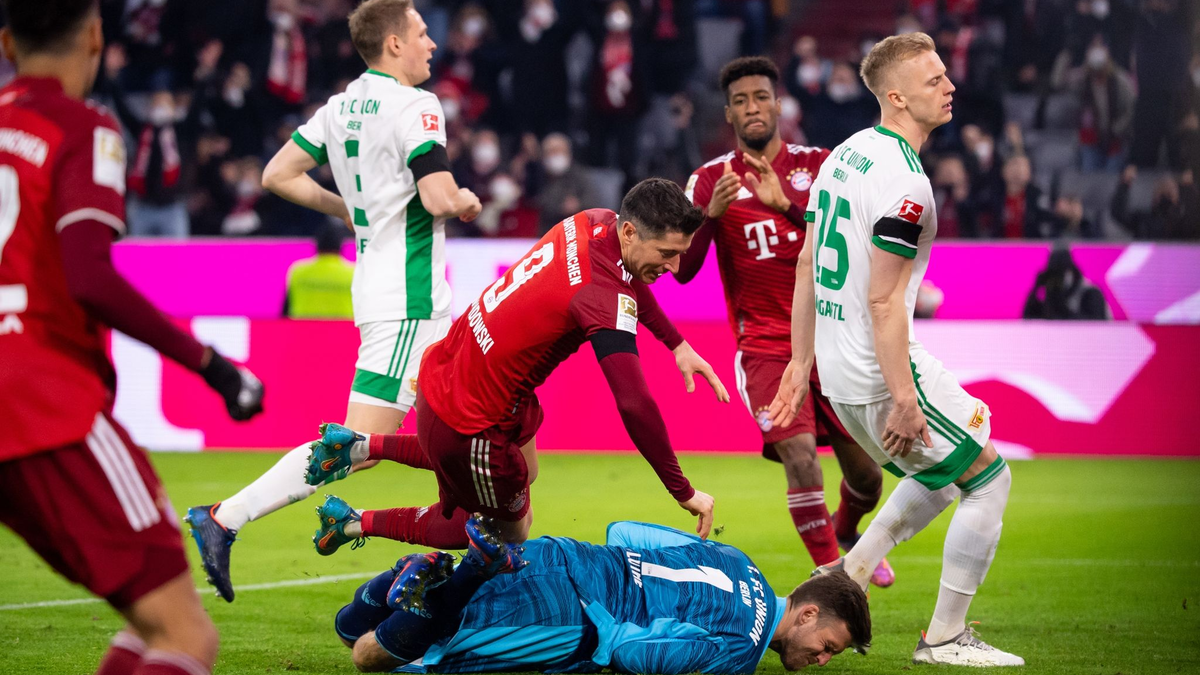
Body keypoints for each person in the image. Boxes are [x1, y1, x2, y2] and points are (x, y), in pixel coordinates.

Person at [185, 0, 483, 603]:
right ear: (394, 43)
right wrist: (465, 201)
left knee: (473, 417)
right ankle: (224, 517)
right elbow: (437, 195)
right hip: (408, 303)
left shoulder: (341, 106)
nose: (432, 44)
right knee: (355, 446)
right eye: (422, 33)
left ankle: (482, 544)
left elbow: (277, 174)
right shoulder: (418, 106)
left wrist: (343, 209)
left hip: (389, 292)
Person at [0, 2, 264, 675]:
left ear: (6, 43)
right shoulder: (83, 128)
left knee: (149, 620)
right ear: (94, 35)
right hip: (40, 403)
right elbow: (89, 276)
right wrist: (210, 364)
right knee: (186, 635)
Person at [303, 178, 727, 557]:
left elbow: (628, 277)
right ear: (631, 232)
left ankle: (362, 445)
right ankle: (352, 522)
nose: (674, 267)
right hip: (471, 420)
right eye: (668, 254)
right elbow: (634, 404)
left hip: (456, 366)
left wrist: (677, 344)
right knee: (506, 530)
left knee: (528, 472)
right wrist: (682, 491)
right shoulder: (599, 294)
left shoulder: (594, 221)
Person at [771, 32, 1024, 666]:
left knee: (937, 477)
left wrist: (801, 363)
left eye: (945, 75)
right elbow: (884, 301)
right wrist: (905, 398)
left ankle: (847, 573)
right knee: (988, 479)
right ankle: (945, 638)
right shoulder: (907, 183)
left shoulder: (845, 154)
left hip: (840, 375)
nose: (950, 86)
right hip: (879, 371)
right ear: (897, 96)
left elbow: (806, 264)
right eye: (934, 79)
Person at [677, 56, 892, 587]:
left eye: (761, 97)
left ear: (779, 105)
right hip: (765, 347)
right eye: (741, 101)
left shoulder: (822, 166)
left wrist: (787, 207)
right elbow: (681, 270)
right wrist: (710, 219)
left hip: (833, 341)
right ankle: (836, 577)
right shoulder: (709, 181)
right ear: (729, 114)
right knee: (800, 455)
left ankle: (846, 529)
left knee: (868, 478)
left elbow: (857, 246)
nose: (752, 108)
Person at [335, 521, 872, 673]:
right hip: (564, 616)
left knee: (348, 627)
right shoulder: (740, 652)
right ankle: (466, 574)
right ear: (807, 612)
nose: (823, 659)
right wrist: (606, 618)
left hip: (556, 553)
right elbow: (634, 654)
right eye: (828, 645)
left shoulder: (739, 559)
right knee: (379, 659)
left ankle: (416, 575)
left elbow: (625, 532)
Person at [284, 223, 354, 319]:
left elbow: (285, 311)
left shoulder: (298, 270)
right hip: (343, 327)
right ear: (340, 247)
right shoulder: (353, 272)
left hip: (303, 327)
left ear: (317, 247)